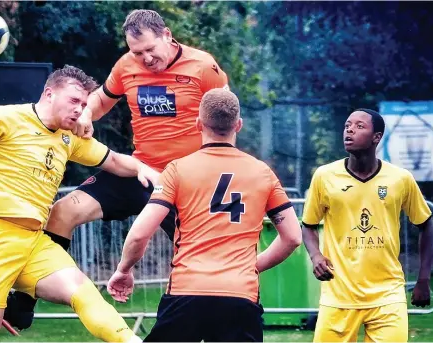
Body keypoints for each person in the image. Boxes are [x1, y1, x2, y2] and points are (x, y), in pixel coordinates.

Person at [5, 8, 231, 329]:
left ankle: (186, 327)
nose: (146, 59)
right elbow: (100, 100)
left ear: (167, 35)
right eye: (137, 52)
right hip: (137, 173)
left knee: (192, 261)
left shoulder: (204, 67)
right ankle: (22, 306)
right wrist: (85, 115)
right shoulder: (127, 65)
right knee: (62, 212)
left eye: (151, 50)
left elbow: (225, 122)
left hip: (185, 182)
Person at [0, 65, 158, 343]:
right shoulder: (5, 118)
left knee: (83, 292)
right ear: (49, 94)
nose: (80, 110)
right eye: (74, 101)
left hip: (32, 241)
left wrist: (146, 170)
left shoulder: (68, 138)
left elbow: (117, 161)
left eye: (84, 104)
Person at [107, 88, 303, 342]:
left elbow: (139, 234)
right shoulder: (262, 173)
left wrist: (124, 270)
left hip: (187, 290)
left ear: (198, 123)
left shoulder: (178, 169)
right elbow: (293, 238)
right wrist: (251, 267)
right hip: (239, 294)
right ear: (239, 125)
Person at [301, 109, 433, 343]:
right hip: (338, 295)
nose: (350, 130)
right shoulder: (324, 176)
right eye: (347, 125)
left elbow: (426, 223)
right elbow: (309, 225)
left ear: (377, 137)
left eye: (359, 126)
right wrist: (315, 256)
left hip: (387, 295)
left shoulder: (400, 179)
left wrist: (423, 278)